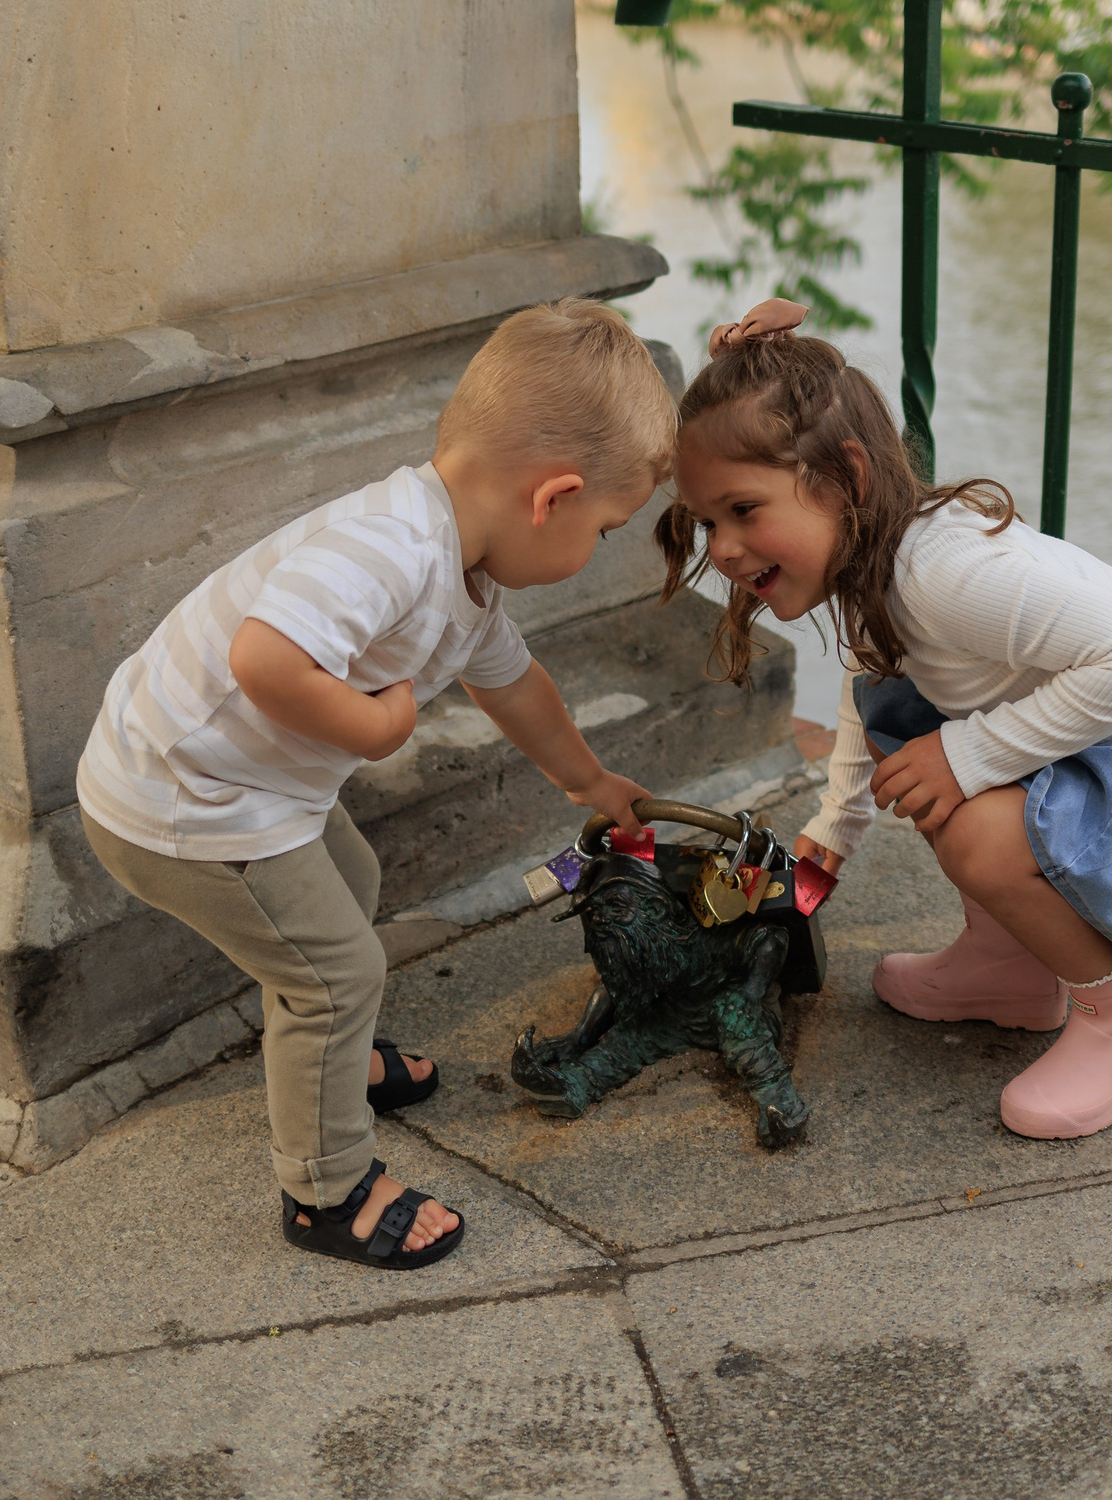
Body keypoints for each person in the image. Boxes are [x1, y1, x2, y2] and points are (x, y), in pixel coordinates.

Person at [77, 299, 670, 1269]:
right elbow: (264, 658)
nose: (598, 546)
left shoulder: (466, 568)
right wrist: (380, 727)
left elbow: (516, 688)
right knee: (335, 974)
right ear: (553, 498)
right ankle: (326, 1189)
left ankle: (331, 1064)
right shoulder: (390, 548)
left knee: (350, 886)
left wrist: (590, 780)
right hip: (182, 799)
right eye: (606, 529)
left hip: (243, 788)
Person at [657, 300, 1112, 1140]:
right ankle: (1013, 964)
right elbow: (870, 680)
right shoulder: (873, 558)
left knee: (964, 801)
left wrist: (968, 754)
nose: (720, 547)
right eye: (707, 521)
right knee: (910, 727)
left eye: (744, 510)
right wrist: (838, 823)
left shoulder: (944, 574)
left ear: (848, 478)